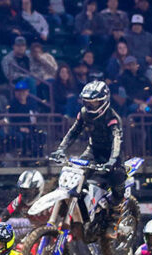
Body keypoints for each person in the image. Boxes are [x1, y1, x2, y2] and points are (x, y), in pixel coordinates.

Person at [51, 81, 125, 220]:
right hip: (93, 151)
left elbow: (117, 139)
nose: (90, 106)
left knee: (117, 175)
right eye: (87, 102)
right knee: (75, 174)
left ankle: (115, 212)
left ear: (103, 101)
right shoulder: (84, 113)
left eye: (94, 103)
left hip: (112, 155)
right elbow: (73, 131)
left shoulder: (112, 117)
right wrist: (60, 149)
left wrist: (113, 160)